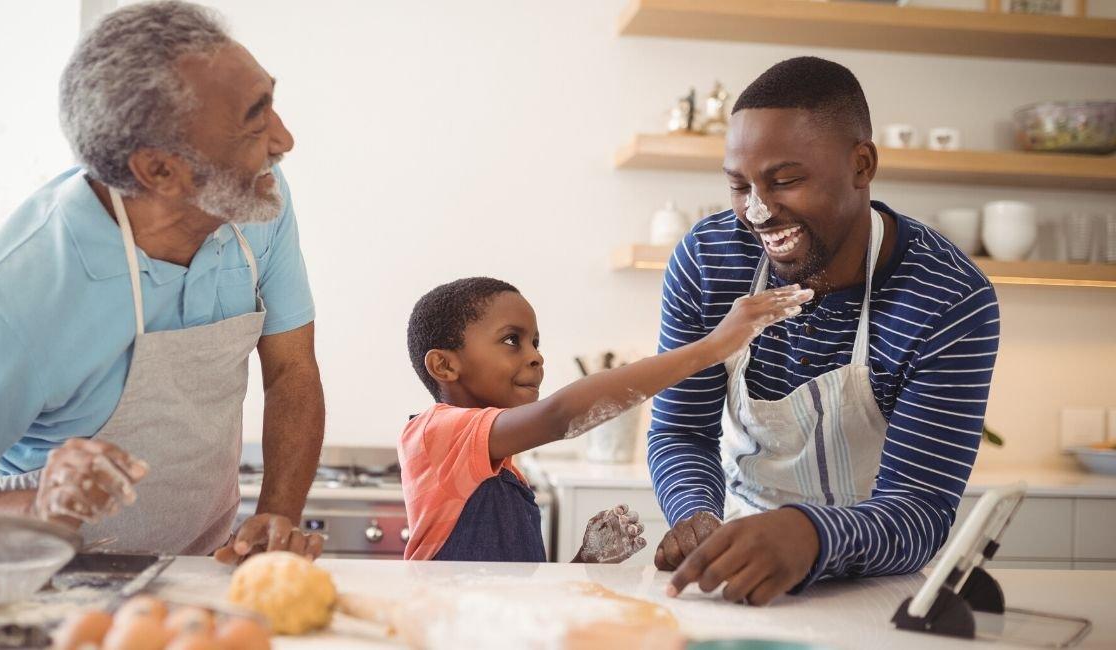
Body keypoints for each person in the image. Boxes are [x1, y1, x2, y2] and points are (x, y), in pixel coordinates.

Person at [0, 1, 325, 561]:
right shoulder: (15, 294)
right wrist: (39, 504)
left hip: (191, 573)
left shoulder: (259, 199)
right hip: (42, 585)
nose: (284, 140)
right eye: (255, 122)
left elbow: (291, 372)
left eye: (270, 102)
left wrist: (275, 517)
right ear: (160, 170)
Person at [648, 57, 1001, 604]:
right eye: (740, 186)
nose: (758, 212)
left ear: (862, 164)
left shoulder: (949, 298)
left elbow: (920, 507)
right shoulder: (708, 261)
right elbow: (681, 431)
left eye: (785, 181)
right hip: (735, 565)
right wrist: (696, 516)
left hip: (877, 583)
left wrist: (809, 535)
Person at [400, 277, 811, 562]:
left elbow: (520, 588)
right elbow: (561, 416)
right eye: (512, 340)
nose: (536, 355)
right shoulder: (435, 432)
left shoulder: (503, 466)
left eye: (536, 342)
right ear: (444, 365)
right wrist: (712, 347)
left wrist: (585, 560)